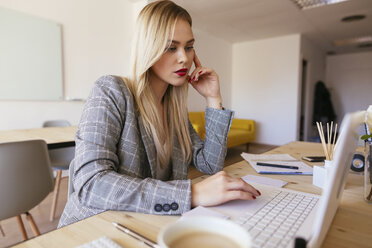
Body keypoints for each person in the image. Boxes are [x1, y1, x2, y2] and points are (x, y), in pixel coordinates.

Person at [58, 0, 260, 227]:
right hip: (92, 227)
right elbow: (92, 183)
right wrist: (190, 194)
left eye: (189, 46)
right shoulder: (111, 90)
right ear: (148, 49)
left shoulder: (175, 109)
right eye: (171, 47)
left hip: (145, 224)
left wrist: (213, 99)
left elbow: (210, 165)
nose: (184, 57)